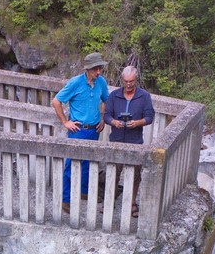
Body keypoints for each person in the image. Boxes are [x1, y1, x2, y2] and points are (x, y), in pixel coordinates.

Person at [52, 52, 110, 213]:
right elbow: (56, 101)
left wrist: (103, 118)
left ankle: (84, 191)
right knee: (71, 164)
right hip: (78, 130)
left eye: (100, 68)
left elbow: (107, 100)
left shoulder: (101, 82)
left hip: (94, 129)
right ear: (88, 69)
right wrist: (65, 122)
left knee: (89, 162)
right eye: (95, 69)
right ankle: (66, 200)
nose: (98, 72)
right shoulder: (75, 83)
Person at [104, 66, 155, 212]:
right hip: (116, 139)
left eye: (131, 81)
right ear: (122, 80)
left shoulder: (144, 96)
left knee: (135, 175)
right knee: (113, 171)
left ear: (136, 80)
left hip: (135, 141)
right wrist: (114, 122)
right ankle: (109, 201)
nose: (128, 84)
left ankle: (132, 203)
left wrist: (137, 123)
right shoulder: (114, 95)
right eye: (126, 81)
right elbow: (106, 115)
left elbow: (150, 117)